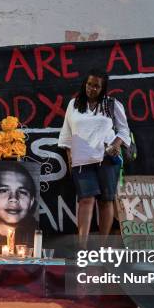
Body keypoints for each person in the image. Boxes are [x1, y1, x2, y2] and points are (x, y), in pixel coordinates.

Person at [58, 69, 131, 250]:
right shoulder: (74, 104)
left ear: (103, 88)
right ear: (85, 84)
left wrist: (116, 144)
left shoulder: (111, 104)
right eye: (89, 84)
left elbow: (123, 130)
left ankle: (102, 247)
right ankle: (82, 247)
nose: (91, 89)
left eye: (96, 86)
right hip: (81, 159)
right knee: (85, 199)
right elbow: (67, 134)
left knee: (105, 200)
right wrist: (69, 158)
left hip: (106, 158)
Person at [0, 161, 38, 246]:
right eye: (3, 190)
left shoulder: (36, 237)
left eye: (22, 192)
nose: (13, 198)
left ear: (31, 201)